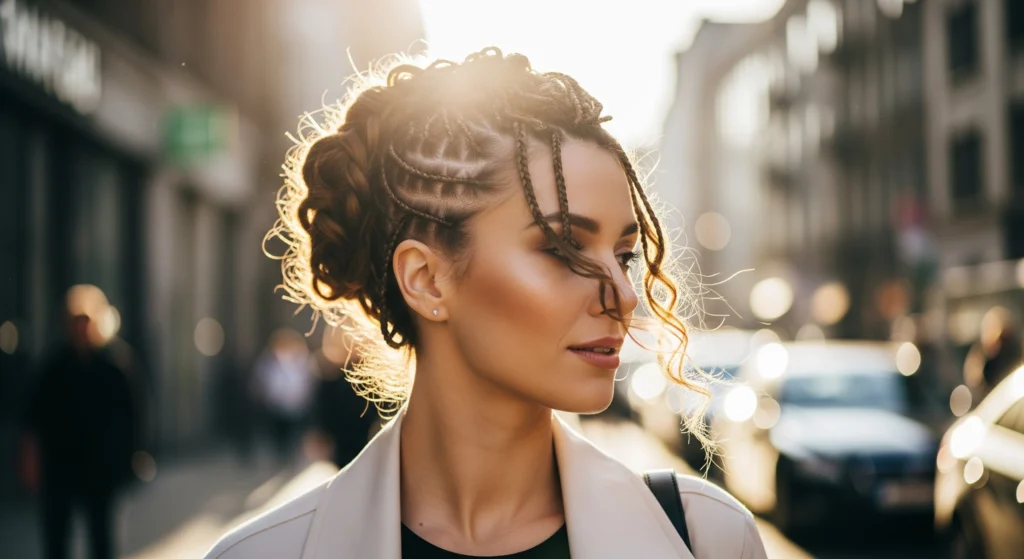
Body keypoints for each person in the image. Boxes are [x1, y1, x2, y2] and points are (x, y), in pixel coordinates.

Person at [205, 48, 767, 558]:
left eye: (623, 256)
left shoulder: (707, 539)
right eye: (563, 248)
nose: (622, 295)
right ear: (426, 280)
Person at [21, 285, 138, 559]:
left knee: (101, 535)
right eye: (76, 321)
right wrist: (30, 459)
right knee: (56, 536)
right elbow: (33, 417)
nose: (81, 328)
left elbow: (130, 417)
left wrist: (125, 459)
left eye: (86, 321)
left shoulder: (112, 367)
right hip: (60, 466)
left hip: (99, 468)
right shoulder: (54, 367)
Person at [252, 328, 316, 465]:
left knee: (293, 435)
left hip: (296, 405)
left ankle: (290, 457)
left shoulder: (301, 360)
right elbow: (261, 381)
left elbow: (307, 382)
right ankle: (281, 457)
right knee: (278, 436)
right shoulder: (268, 362)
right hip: (275, 406)